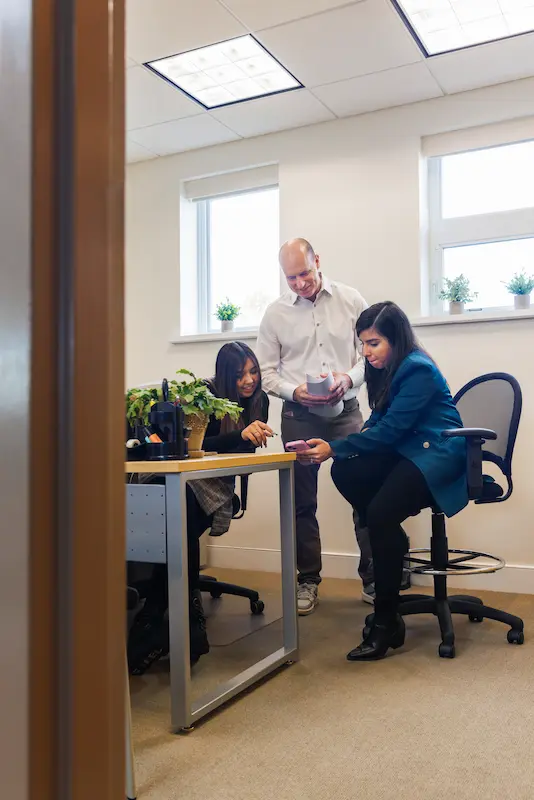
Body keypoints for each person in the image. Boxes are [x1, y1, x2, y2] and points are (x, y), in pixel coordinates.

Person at [297, 301, 468, 660]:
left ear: (396, 338)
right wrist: (339, 451)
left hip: (437, 453)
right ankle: (390, 535)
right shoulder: (388, 369)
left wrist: (335, 446)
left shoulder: (416, 369)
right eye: (362, 343)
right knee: (346, 470)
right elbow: (379, 422)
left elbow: (391, 431)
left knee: (378, 514)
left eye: (373, 343)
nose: (365, 352)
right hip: (409, 451)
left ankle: (387, 619)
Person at [127, 341, 272, 673]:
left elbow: (243, 460)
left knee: (180, 513)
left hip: (217, 484)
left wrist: (243, 438)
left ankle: (159, 614)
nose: (249, 381)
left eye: (253, 372)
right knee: (172, 507)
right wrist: (239, 436)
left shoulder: (259, 400)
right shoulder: (204, 395)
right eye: (239, 376)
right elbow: (196, 445)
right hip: (185, 477)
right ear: (224, 376)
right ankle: (186, 616)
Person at [256, 237, 371, 616]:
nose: (300, 284)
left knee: (365, 492)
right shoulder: (274, 314)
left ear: (317, 261)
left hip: (346, 412)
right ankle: (308, 580)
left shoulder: (352, 300)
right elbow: (266, 375)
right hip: (298, 415)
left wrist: (348, 380)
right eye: (291, 278)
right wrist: (296, 391)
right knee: (302, 501)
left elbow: (369, 354)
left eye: (304, 273)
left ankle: (373, 578)